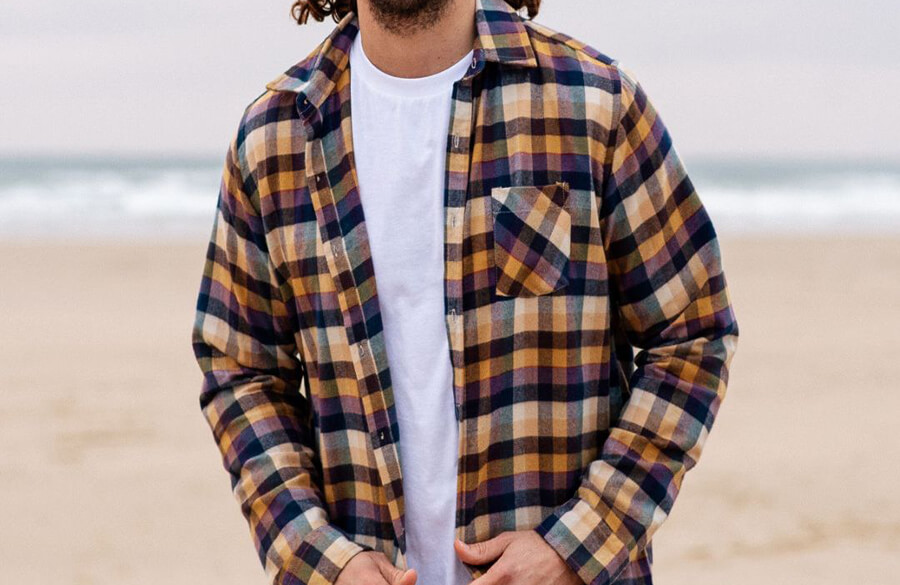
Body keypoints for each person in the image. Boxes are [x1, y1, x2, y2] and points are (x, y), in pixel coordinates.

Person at [190, 0, 740, 584]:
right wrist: (323, 560)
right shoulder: (274, 137)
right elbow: (241, 373)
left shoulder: (592, 103)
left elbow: (693, 334)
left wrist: (576, 545)